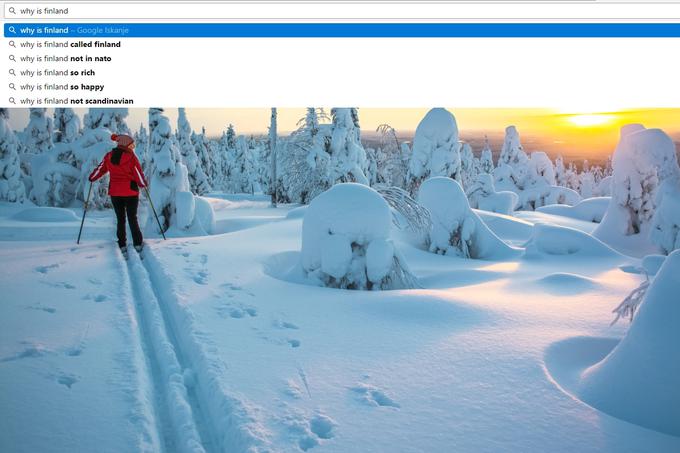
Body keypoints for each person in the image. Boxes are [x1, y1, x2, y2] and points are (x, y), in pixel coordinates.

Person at [89, 134, 148, 254]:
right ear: (126, 144)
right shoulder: (131, 157)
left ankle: (122, 244)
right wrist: (143, 184)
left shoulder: (109, 156)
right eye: (131, 145)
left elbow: (100, 169)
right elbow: (138, 173)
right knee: (132, 218)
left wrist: (92, 178)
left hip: (115, 193)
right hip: (131, 193)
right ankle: (137, 243)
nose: (132, 147)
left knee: (120, 219)